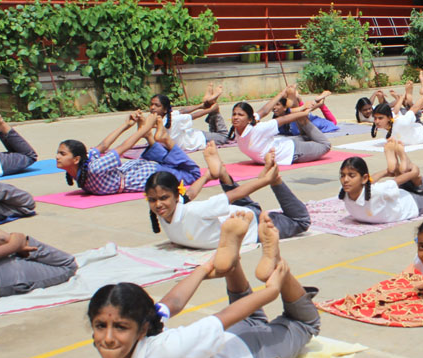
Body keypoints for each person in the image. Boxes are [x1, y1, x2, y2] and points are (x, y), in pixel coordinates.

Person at [88, 212, 320, 358]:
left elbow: (225, 317)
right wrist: (205, 268)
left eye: (120, 327)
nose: (108, 338)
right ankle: (231, 263)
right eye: (100, 326)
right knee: (251, 318)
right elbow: (172, 302)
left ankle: (278, 265)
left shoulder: (170, 349)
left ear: (142, 329)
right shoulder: (138, 336)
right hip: (232, 341)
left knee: (306, 323)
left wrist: (271, 291)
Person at [145, 146, 310, 247]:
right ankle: (221, 173)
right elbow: (189, 194)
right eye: (153, 200)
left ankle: (277, 181)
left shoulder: (195, 211)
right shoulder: (167, 209)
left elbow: (235, 194)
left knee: (301, 221)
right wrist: (207, 176)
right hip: (240, 212)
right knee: (246, 206)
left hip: (255, 227)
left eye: (163, 198)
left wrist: (268, 180)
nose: (158, 204)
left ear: (175, 196)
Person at [57, 113, 201, 195]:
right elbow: (103, 146)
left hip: (144, 174)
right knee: (168, 162)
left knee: (194, 174)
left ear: (76, 159)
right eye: (59, 153)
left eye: (62, 154)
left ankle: (162, 139)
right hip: (137, 168)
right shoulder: (82, 168)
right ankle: (152, 138)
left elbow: (124, 147)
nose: (57, 157)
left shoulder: (93, 168)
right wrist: (129, 126)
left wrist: (143, 127)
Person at [338, 143, 423, 224]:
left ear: (364, 178)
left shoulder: (376, 191)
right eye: (342, 175)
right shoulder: (344, 190)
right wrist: (387, 172)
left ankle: (406, 164)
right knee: (403, 174)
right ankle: (403, 164)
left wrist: (414, 173)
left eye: (351, 175)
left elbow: (396, 181)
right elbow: (369, 180)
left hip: (413, 202)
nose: (345, 180)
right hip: (403, 197)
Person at [228, 99, 331, 165]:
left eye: (240, 115)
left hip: (293, 150)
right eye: (234, 114)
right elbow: (263, 111)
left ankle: (303, 118)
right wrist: (282, 94)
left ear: (249, 119)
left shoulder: (258, 129)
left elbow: (284, 119)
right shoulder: (239, 130)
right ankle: (302, 116)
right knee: (307, 137)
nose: (236, 117)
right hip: (286, 142)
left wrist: (304, 113)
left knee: (325, 145)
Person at [370, 76, 423, 146]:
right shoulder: (390, 120)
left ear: (389, 117)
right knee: (416, 115)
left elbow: (414, 108)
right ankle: (415, 98)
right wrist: (401, 98)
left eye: (380, 118)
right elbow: (396, 110)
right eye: (375, 118)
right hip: (415, 128)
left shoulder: (401, 122)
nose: (377, 121)